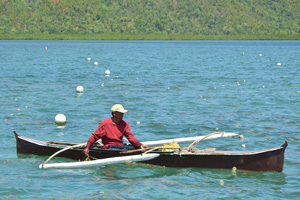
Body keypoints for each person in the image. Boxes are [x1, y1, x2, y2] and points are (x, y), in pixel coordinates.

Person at [83, 104, 148, 156]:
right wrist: (87, 147)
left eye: (123, 113)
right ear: (114, 113)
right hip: (109, 147)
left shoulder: (125, 124)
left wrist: (139, 145)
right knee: (128, 148)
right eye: (120, 113)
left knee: (135, 147)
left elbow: (130, 137)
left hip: (120, 147)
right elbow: (95, 136)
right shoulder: (105, 123)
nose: (122, 114)